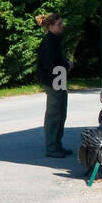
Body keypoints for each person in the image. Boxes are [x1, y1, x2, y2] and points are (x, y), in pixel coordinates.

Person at [35, 11, 73, 158]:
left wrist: (64, 65)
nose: (62, 26)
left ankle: (57, 145)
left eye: (61, 23)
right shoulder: (49, 41)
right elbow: (51, 63)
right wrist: (67, 64)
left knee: (61, 112)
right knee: (54, 114)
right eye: (59, 24)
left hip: (58, 78)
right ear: (50, 26)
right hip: (53, 80)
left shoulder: (55, 39)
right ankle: (51, 147)